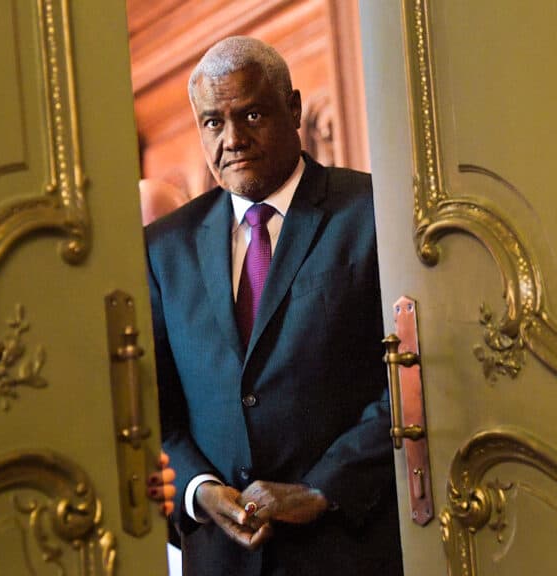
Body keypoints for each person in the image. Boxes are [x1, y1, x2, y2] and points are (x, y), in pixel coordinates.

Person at [145, 36, 402, 575]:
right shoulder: (164, 249)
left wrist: (320, 490)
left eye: (252, 114)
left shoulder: (374, 212)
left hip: (348, 548)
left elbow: (407, 383)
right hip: (220, 558)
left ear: (294, 109)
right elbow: (155, 409)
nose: (232, 139)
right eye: (213, 123)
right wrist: (201, 489)